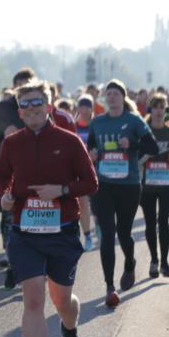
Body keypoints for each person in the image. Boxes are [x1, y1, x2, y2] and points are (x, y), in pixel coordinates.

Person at [0, 81, 98, 337]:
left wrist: (62, 191)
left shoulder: (68, 141)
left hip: (62, 232)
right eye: (23, 104)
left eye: (36, 102)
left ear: (49, 105)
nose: (30, 109)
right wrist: (4, 198)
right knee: (34, 298)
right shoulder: (13, 143)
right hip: (25, 233)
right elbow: (1, 178)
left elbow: (90, 182)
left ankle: (69, 329)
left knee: (62, 301)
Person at [86, 80, 159, 308]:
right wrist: (93, 153)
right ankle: (109, 286)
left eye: (116, 93)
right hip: (104, 185)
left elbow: (153, 148)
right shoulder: (97, 122)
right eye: (109, 94)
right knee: (107, 233)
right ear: (105, 98)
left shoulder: (134, 120)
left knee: (124, 233)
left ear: (123, 96)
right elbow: (89, 148)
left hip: (128, 185)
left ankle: (130, 262)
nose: (112, 97)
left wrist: (132, 143)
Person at [0, 67, 38, 276]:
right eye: (20, 86)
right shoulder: (2, 109)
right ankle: (9, 251)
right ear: (14, 87)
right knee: (8, 212)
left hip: (37, 167)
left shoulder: (39, 106)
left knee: (32, 210)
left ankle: (33, 252)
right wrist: (2, 131)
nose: (24, 89)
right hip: (9, 167)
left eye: (28, 85)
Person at [139, 94, 169, 277]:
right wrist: (145, 158)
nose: (158, 110)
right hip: (146, 185)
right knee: (150, 223)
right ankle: (154, 260)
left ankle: (165, 262)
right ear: (150, 110)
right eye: (155, 107)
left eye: (161, 107)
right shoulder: (143, 133)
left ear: (166, 110)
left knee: (163, 222)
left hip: (167, 185)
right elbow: (136, 159)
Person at [74, 94, 98, 250]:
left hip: (97, 168)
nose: (84, 109)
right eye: (81, 106)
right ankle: (87, 236)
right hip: (78, 170)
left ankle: (99, 227)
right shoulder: (73, 126)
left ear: (92, 108)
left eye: (87, 106)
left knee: (97, 203)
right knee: (83, 203)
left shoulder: (97, 125)